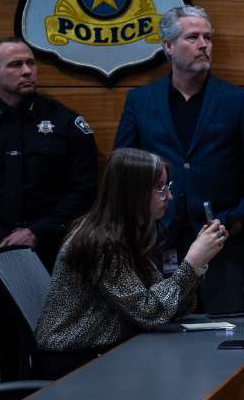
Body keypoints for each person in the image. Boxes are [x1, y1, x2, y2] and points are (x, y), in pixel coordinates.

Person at [0, 37, 98, 380]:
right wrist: (5, 239)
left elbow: (84, 191)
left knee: (56, 355)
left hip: (52, 255)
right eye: (16, 65)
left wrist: (35, 232)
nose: (28, 70)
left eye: (31, 63)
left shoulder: (66, 124)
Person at [113, 5, 244, 313]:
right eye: (193, 37)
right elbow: (123, 173)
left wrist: (235, 221)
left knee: (226, 336)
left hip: (221, 243)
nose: (204, 45)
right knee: (164, 334)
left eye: (208, 37)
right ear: (168, 46)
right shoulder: (140, 102)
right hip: (158, 244)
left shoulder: (237, 101)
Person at [34, 148, 227, 378]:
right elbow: (149, 312)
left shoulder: (127, 233)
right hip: (73, 364)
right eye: (160, 188)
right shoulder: (100, 243)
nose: (169, 196)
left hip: (105, 353)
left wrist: (198, 264)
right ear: (134, 193)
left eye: (168, 186)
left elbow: (167, 308)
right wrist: (191, 261)